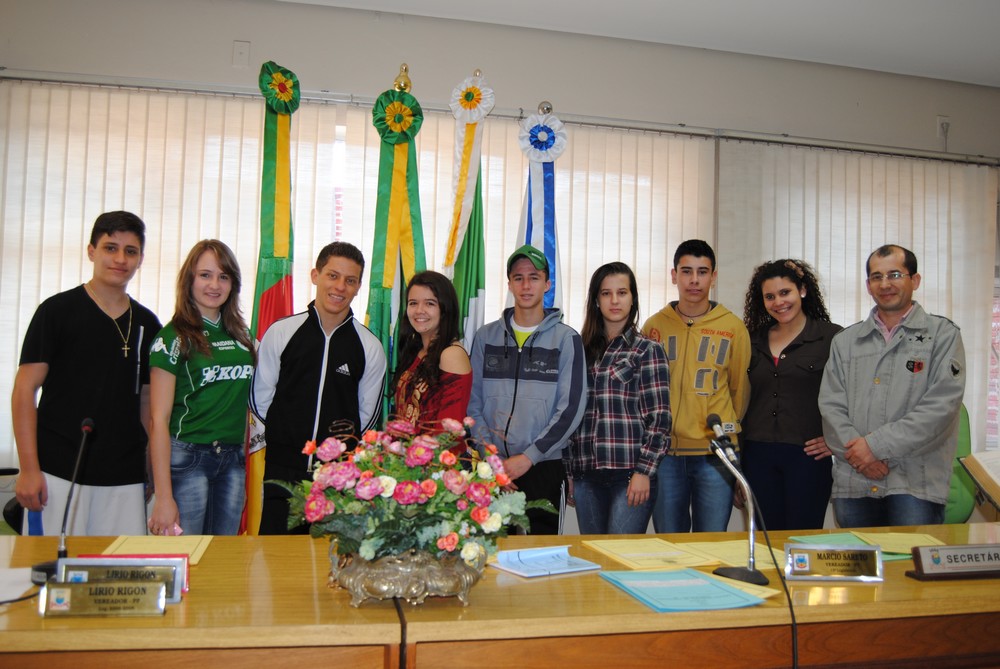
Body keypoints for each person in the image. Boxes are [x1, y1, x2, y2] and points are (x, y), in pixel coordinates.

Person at [12, 211, 161, 536]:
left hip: (125, 476)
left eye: (130, 251)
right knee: (51, 576)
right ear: (91, 251)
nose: (120, 259)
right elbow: (25, 390)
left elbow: (149, 405)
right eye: (110, 248)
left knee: (115, 577)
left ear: (140, 259)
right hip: (58, 472)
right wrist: (28, 468)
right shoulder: (56, 312)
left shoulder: (148, 324)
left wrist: (150, 470)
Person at [819, 244, 966, 527]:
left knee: (911, 567)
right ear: (868, 285)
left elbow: (941, 407)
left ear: (915, 280)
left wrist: (874, 447)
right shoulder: (845, 341)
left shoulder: (942, 335)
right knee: (859, 568)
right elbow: (831, 406)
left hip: (915, 482)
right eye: (877, 277)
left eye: (895, 275)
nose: (885, 284)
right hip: (854, 479)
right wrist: (862, 458)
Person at [249, 241, 386, 535]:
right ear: (315, 275)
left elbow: (367, 417)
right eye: (332, 275)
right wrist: (286, 438)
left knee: (331, 568)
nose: (340, 287)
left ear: (359, 286)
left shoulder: (369, 347)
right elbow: (261, 399)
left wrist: (340, 456)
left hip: (337, 479)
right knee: (277, 564)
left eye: (350, 280)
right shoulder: (281, 332)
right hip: (282, 472)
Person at [467, 244, 586, 535]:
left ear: (547, 283)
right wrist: (492, 459)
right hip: (493, 467)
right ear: (509, 284)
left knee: (541, 558)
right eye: (518, 278)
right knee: (491, 553)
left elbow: (570, 409)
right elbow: (473, 404)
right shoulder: (486, 337)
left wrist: (529, 457)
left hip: (543, 465)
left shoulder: (566, 339)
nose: (526, 284)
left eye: (534, 277)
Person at [641, 239, 750, 533]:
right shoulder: (654, 326)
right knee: (670, 545)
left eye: (702, 272)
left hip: (715, 455)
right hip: (666, 455)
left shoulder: (733, 327)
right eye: (686, 271)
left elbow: (739, 389)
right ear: (674, 275)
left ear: (713, 277)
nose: (694, 280)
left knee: (712, 542)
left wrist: (726, 429)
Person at [147, 240, 255, 536]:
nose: (214, 285)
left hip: (232, 460)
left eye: (224, 276)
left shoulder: (242, 338)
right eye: (205, 275)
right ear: (189, 279)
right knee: (186, 557)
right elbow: (158, 420)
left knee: (223, 559)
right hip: (188, 459)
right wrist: (163, 496)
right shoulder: (172, 337)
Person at [565, 262, 671, 534]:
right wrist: (569, 472)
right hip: (586, 472)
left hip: (629, 474)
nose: (614, 300)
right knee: (593, 557)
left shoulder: (648, 350)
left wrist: (644, 472)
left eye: (622, 292)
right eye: (606, 293)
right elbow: (568, 415)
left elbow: (659, 419)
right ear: (596, 301)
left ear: (633, 298)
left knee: (619, 557)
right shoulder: (579, 350)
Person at [741, 259, 842, 530]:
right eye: (770, 296)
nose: (778, 302)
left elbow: (853, 397)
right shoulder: (750, 340)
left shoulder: (832, 338)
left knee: (802, 542)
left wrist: (836, 439)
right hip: (757, 455)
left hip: (808, 457)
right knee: (766, 544)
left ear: (803, 291)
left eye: (785, 293)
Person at [393, 271, 473, 443]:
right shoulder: (416, 350)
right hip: (405, 462)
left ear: (445, 309)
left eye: (430, 303)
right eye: (413, 303)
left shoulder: (451, 354)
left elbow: (448, 432)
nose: (419, 310)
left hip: (436, 464)